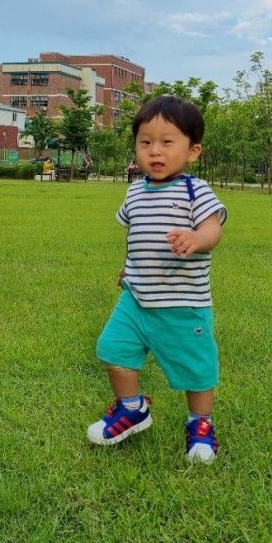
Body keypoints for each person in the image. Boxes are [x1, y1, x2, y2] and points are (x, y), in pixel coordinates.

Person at [87, 96, 227, 463]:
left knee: (196, 367)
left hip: (183, 303)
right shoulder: (134, 191)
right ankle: (132, 408)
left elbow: (214, 230)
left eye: (167, 142)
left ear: (192, 151)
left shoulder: (196, 191)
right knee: (112, 350)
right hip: (135, 298)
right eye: (146, 142)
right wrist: (128, 266)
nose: (155, 151)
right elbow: (135, 235)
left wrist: (197, 239)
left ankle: (200, 423)